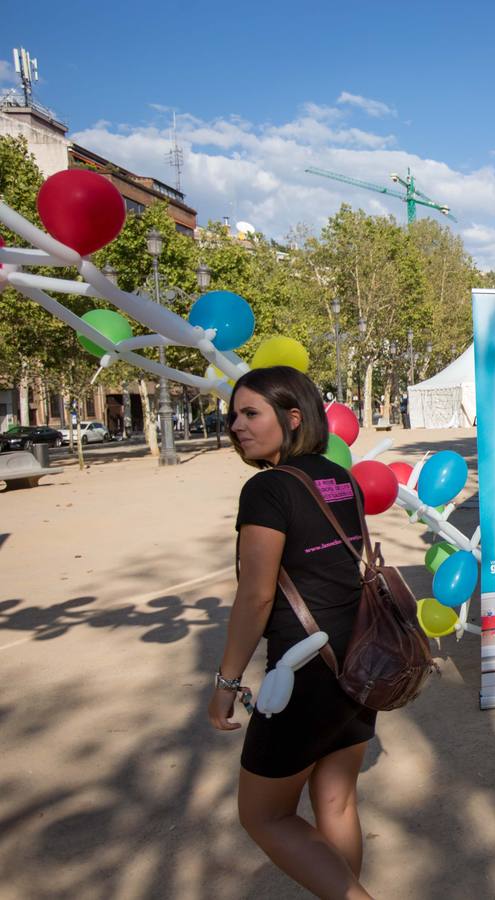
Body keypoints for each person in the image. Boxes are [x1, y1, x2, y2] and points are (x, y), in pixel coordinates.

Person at [209, 366, 376, 899]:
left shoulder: (267, 489)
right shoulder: (339, 477)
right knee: (337, 803)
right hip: (361, 659)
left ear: (293, 416)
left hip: (304, 672)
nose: (236, 424)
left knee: (265, 817)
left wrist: (227, 682)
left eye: (251, 413)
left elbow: (255, 595)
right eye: (233, 414)